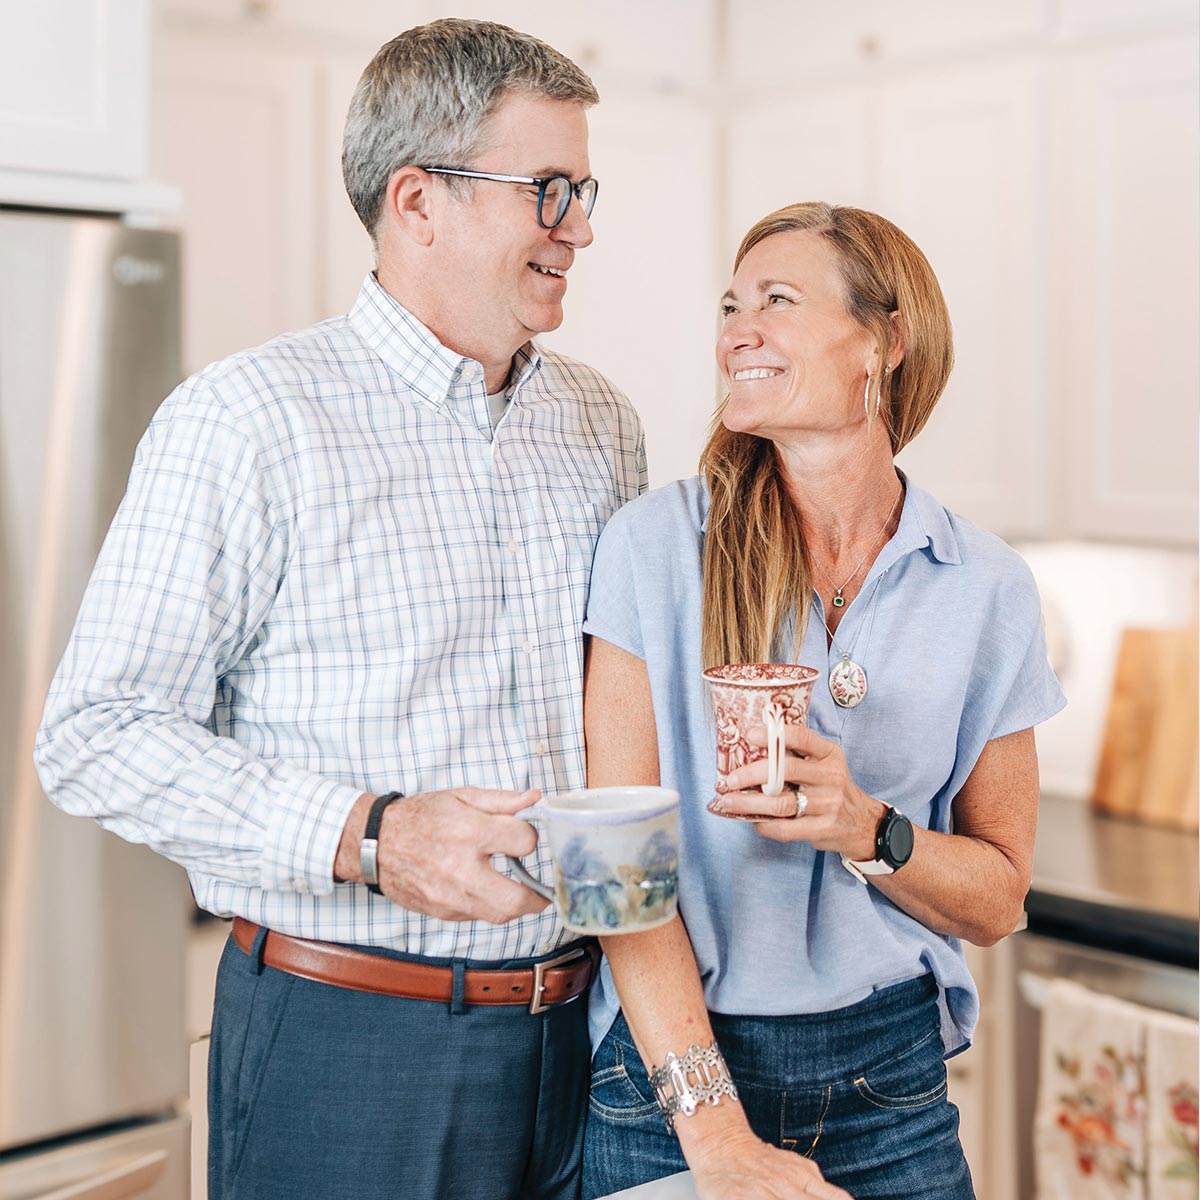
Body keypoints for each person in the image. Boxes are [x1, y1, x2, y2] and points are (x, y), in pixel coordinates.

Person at [35, 19, 639, 1200]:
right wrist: (372, 832)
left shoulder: (600, 423)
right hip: (349, 1044)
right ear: (419, 201)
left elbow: (611, 716)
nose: (581, 228)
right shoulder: (249, 419)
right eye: (551, 190)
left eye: (585, 190)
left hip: (583, 1035)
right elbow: (92, 734)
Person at [580, 202, 1066, 1199]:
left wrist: (868, 829)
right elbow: (610, 875)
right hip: (673, 1077)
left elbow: (1000, 899)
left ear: (884, 343)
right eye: (731, 304)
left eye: (777, 300)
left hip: (886, 1080)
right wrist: (716, 1134)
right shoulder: (656, 546)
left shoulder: (983, 585)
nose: (737, 331)